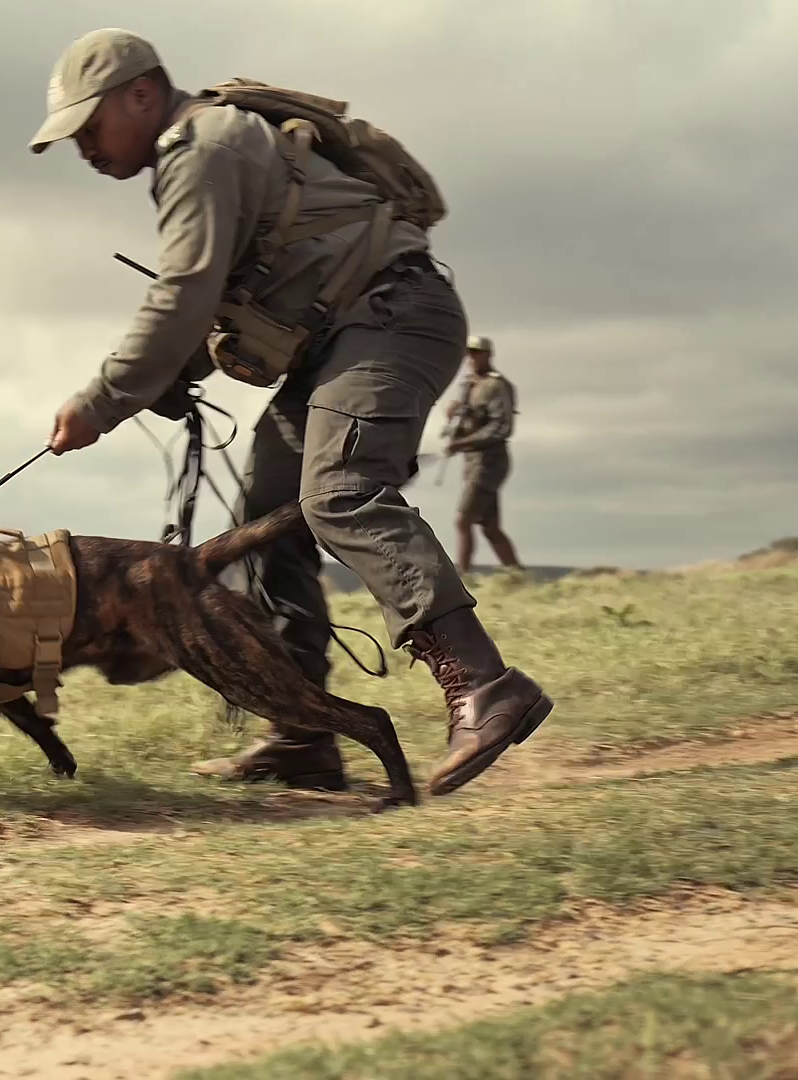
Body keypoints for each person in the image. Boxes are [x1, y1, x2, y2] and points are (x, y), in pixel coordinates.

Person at [30, 28, 552, 797]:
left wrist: (103, 399)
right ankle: (304, 734)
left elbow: (183, 293)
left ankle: (484, 684)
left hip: (394, 317)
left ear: (141, 93)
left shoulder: (200, 148)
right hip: (340, 339)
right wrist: (170, 378)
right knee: (265, 517)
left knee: (339, 490)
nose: (82, 147)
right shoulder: (203, 150)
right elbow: (227, 300)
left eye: (88, 124)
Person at [444, 335, 524, 574]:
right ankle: (516, 575)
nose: (472, 358)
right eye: (469, 353)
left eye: (477, 352)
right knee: (490, 527)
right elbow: (468, 421)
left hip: (490, 460)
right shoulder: (468, 385)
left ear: (488, 355)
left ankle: (462, 577)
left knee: (463, 520)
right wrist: (454, 418)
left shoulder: (496, 386)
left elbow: (502, 427)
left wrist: (464, 442)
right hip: (472, 461)